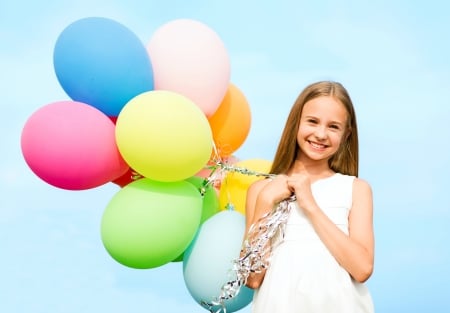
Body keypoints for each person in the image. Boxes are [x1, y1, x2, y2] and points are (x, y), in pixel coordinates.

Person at [244, 81, 375, 312]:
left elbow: (362, 268)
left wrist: (310, 205)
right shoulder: (261, 191)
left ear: (346, 135)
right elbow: (253, 279)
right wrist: (265, 203)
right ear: (296, 123)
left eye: (333, 127)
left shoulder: (355, 189)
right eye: (312, 121)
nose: (321, 134)